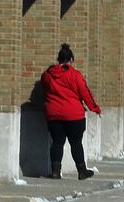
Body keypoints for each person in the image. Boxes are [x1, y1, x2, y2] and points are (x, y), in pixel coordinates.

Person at [40, 43, 101, 180]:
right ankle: (82, 171)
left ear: (58, 59)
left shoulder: (48, 75)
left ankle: (55, 171)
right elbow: (85, 93)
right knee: (76, 142)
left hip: (54, 113)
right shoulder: (75, 75)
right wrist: (94, 108)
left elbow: (44, 87)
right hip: (73, 114)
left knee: (57, 142)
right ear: (71, 60)